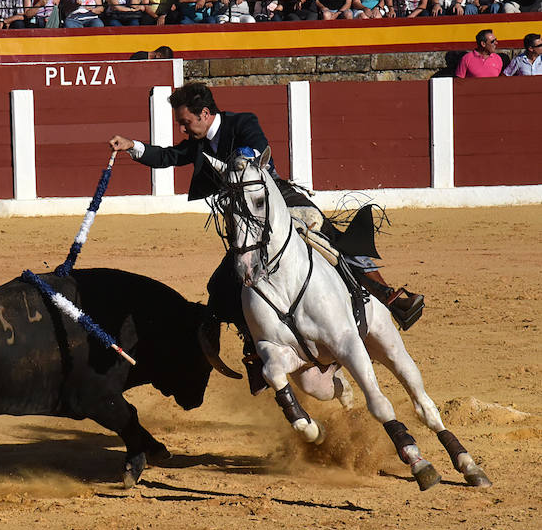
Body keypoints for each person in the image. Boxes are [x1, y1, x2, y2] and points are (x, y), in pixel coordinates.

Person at [107, 82, 426, 393]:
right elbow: (167, 157)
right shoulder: (199, 142)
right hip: (244, 220)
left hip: (279, 203)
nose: (183, 129)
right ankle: (255, 348)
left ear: (204, 113)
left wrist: (237, 168)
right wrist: (132, 146)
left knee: (328, 238)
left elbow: (255, 151)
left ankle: (387, 294)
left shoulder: (243, 123)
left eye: (185, 122)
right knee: (224, 283)